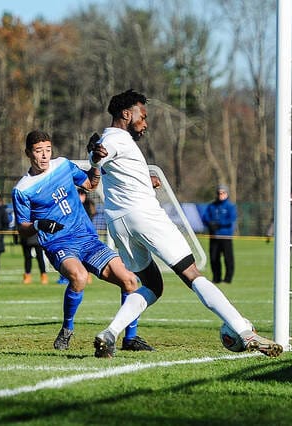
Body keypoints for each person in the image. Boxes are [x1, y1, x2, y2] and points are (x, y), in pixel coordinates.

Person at [89, 89, 282, 358]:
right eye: (142, 116)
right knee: (191, 273)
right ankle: (244, 330)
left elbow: (102, 159)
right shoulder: (117, 139)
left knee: (152, 286)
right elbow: (103, 153)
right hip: (145, 217)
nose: (145, 123)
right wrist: (97, 155)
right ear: (126, 114)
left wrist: (143, 178)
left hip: (118, 223)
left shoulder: (112, 140)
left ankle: (109, 333)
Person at [12, 129, 152, 351]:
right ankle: (67, 330)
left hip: (88, 240)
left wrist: (96, 162)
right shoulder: (22, 189)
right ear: (28, 153)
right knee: (79, 276)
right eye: (39, 151)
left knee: (130, 281)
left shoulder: (63, 165)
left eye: (48, 150)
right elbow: (22, 228)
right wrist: (39, 225)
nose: (45, 155)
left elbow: (90, 184)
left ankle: (130, 339)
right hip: (59, 244)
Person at [201, 184, 238, 284]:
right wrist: (210, 224)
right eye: (219, 193)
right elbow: (205, 217)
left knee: (228, 258)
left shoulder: (230, 206)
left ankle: (228, 278)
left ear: (227, 194)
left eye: (223, 193)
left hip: (225, 236)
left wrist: (219, 224)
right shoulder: (212, 206)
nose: (220, 195)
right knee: (214, 257)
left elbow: (231, 219)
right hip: (214, 236)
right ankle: (216, 277)